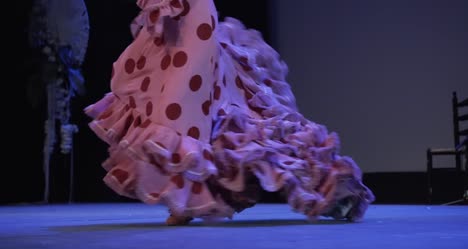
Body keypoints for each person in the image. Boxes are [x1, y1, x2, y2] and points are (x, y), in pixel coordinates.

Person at [84, 0, 375, 225]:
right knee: (168, 102)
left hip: (192, 19)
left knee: (182, 104)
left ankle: (331, 190)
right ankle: (184, 199)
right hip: (167, 21)